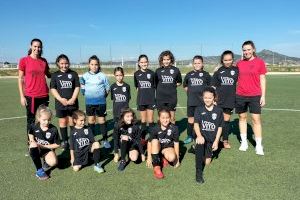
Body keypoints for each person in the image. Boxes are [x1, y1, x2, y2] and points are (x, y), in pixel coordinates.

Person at [18, 38, 51, 154]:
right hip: (31, 96)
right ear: (31, 46)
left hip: (44, 96)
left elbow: (49, 74)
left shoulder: (44, 61)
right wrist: (22, 96)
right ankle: (31, 145)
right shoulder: (24, 60)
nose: (37, 48)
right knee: (31, 122)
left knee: (44, 121)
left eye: (39, 47)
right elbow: (20, 79)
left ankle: (42, 144)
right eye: (35, 46)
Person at [236, 41, 267, 155]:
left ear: (253, 49)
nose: (246, 52)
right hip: (240, 95)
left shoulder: (260, 62)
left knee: (256, 120)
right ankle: (244, 142)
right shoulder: (239, 63)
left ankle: (258, 145)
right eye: (244, 50)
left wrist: (263, 96)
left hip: (255, 95)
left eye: (248, 49)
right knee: (242, 118)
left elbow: (263, 79)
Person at [194, 87, 223, 184]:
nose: (207, 99)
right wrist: (199, 136)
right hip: (202, 138)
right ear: (202, 98)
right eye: (205, 97)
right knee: (200, 144)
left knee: (207, 162)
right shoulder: (199, 109)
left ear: (214, 98)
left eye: (210, 98)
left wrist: (216, 141)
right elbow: (196, 124)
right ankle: (198, 173)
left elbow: (219, 127)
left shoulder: (218, 110)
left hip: (211, 140)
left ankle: (197, 149)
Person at [50, 54, 80, 150]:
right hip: (60, 104)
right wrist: (60, 99)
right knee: (62, 121)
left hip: (72, 103)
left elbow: (77, 87)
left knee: (72, 121)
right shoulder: (55, 75)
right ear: (58, 64)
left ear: (69, 63)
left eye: (66, 63)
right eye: (62, 63)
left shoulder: (74, 74)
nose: (64, 65)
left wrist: (73, 99)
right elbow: (53, 88)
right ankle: (65, 141)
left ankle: (73, 139)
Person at [80, 55, 111, 149]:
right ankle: (92, 140)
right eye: (92, 64)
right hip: (89, 103)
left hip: (101, 102)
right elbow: (82, 87)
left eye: (96, 64)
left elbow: (107, 87)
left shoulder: (102, 75)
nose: (94, 66)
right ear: (89, 65)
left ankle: (105, 140)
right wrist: (86, 93)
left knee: (102, 120)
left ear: (99, 65)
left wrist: (103, 96)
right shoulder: (84, 76)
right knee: (91, 121)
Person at [211, 50, 238, 149]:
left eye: (229, 60)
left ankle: (225, 141)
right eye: (225, 60)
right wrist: (213, 99)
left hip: (230, 100)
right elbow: (213, 86)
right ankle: (214, 140)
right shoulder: (218, 71)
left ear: (232, 59)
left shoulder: (236, 70)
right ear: (222, 60)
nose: (228, 62)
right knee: (216, 120)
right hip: (219, 100)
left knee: (226, 120)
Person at [183, 55, 211, 144]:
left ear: (202, 64)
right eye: (195, 63)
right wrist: (191, 94)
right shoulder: (189, 74)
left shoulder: (206, 75)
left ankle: (203, 135)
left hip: (203, 102)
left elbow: (211, 88)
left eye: (199, 63)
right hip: (191, 101)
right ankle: (190, 136)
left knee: (203, 119)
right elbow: (185, 86)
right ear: (193, 64)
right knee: (191, 119)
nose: (197, 65)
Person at [28, 105, 60, 180]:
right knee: (33, 145)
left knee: (53, 162)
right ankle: (39, 171)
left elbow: (57, 144)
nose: (46, 122)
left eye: (49, 120)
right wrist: (32, 140)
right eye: (44, 120)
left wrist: (44, 146)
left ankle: (46, 161)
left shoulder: (53, 129)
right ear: (39, 118)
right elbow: (30, 133)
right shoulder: (34, 125)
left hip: (46, 149)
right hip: (36, 148)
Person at [147, 109, 180, 179]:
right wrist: (149, 157)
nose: (165, 120)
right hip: (157, 147)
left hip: (167, 148)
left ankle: (162, 157)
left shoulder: (175, 128)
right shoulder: (154, 128)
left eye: (167, 118)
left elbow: (176, 143)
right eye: (163, 118)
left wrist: (177, 159)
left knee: (172, 158)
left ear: (170, 118)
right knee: (154, 141)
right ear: (159, 118)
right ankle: (157, 167)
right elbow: (149, 143)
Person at [155, 50, 182, 124]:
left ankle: (172, 134)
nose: (166, 61)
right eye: (164, 59)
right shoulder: (158, 71)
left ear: (171, 60)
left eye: (168, 59)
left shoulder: (176, 70)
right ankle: (160, 133)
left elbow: (179, 82)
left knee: (172, 117)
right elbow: (156, 83)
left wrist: (172, 85)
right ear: (161, 60)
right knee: (160, 117)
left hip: (172, 97)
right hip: (160, 97)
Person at [110, 67, 131, 162]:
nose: (119, 77)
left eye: (121, 75)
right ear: (115, 76)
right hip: (116, 115)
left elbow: (128, 99)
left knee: (125, 133)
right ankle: (116, 153)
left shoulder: (127, 86)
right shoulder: (113, 87)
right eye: (117, 75)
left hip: (125, 115)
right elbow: (113, 99)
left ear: (123, 75)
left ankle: (124, 150)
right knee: (116, 134)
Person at [134, 54, 156, 140]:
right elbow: (137, 87)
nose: (144, 64)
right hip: (141, 100)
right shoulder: (136, 74)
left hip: (150, 100)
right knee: (143, 120)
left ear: (148, 62)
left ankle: (152, 137)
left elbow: (154, 86)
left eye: (145, 62)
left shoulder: (152, 73)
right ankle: (142, 138)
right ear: (139, 63)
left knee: (150, 120)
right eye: (142, 62)